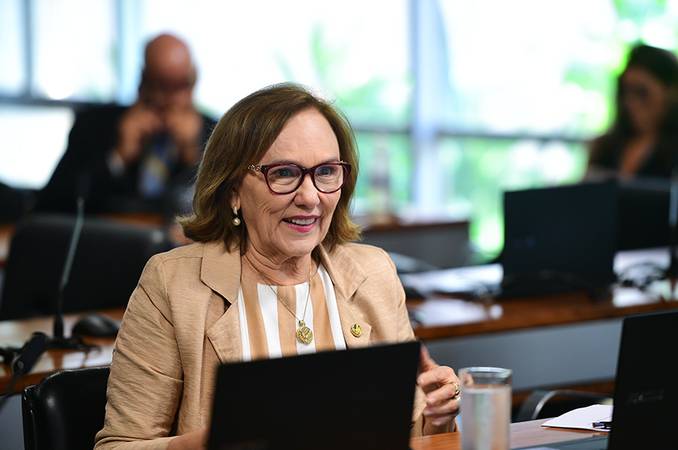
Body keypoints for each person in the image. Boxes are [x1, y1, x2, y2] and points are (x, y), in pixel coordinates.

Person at [94, 83, 461, 449]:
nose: (310, 197)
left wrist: (435, 419)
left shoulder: (373, 275)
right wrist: (211, 444)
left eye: (326, 171)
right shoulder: (172, 284)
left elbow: (406, 436)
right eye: (284, 173)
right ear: (233, 189)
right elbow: (118, 446)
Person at [37, 33, 216, 216]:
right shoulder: (94, 125)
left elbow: (225, 212)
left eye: (180, 86)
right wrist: (118, 158)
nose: (170, 100)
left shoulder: (216, 136)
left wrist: (195, 161)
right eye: (161, 86)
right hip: (109, 231)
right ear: (143, 80)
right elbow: (51, 203)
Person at [587, 43, 678, 179]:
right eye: (626, 91)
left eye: (642, 92)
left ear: (671, 92)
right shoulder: (606, 146)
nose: (631, 102)